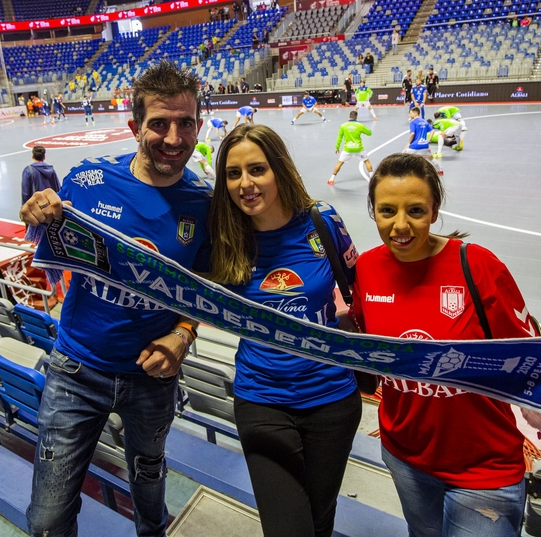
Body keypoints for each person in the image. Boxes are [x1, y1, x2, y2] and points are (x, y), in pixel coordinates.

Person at [350, 153, 541, 537]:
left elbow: (530, 350)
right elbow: (365, 345)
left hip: (484, 469)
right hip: (404, 456)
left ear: (434, 210)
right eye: (387, 211)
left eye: (415, 210)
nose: (400, 225)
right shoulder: (367, 268)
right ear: (374, 212)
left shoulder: (477, 265)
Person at [19, 61, 208, 537]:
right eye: (159, 124)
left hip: (152, 379)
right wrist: (36, 212)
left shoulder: (206, 205)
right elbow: (46, 233)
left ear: (199, 126)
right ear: (134, 127)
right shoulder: (86, 180)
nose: (173, 137)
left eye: (185, 123)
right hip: (76, 371)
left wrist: (183, 334)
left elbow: (204, 288)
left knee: (149, 476)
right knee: (46, 520)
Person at [208, 124, 361, 537]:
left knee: (318, 522)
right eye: (233, 173)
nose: (246, 183)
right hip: (261, 399)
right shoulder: (222, 235)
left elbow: (361, 288)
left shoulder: (322, 221)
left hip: (332, 399)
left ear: (279, 169)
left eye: (257, 169)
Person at [328, 110, 375, 186]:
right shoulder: (360, 125)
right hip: (358, 148)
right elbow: (369, 133)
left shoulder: (343, 126)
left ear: (349, 116)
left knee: (339, 163)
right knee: (366, 162)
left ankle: (331, 179)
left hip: (347, 149)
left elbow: (339, 138)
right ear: (356, 117)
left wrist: (337, 147)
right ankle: (372, 178)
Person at [405, 106, 443, 175]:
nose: (409, 115)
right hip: (425, 146)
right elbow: (432, 131)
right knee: (431, 158)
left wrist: (408, 143)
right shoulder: (425, 122)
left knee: (404, 157)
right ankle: (440, 170)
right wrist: (428, 140)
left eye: (410, 113)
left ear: (415, 113)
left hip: (414, 147)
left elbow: (412, 134)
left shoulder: (412, 122)